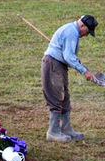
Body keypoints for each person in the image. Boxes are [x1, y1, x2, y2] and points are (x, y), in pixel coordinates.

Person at [42, 14, 98, 142]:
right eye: (87, 31)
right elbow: (68, 57)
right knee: (56, 96)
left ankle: (66, 129)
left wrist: (72, 57)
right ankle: (53, 132)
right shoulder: (71, 32)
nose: (87, 35)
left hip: (59, 65)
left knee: (64, 97)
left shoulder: (71, 30)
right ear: (82, 25)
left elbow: (67, 54)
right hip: (53, 65)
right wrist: (85, 71)